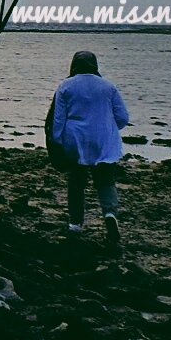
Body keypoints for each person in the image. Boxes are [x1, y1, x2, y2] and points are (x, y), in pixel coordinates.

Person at [48, 50, 130, 239]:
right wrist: (109, 129)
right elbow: (123, 117)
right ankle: (110, 214)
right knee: (105, 181)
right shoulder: (108, 87)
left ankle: (75, 224)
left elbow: (58, 119)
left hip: (75, 141)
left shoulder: (65, 86)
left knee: (76, 183)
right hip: (103, 142)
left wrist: (57, 141)